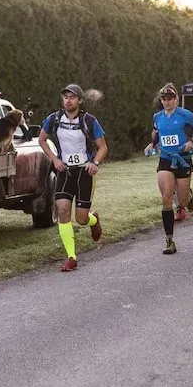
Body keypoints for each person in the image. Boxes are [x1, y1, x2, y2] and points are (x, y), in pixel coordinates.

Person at [39, 84, 108, 272]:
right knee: (62, 210)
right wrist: (54, 159)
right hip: (65, 171)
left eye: (72, 97)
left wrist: (95, 163)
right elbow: (41, 139)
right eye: (65, 97)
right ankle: (71, 257)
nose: (68, 101)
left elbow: (102, 147)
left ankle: (94, 219)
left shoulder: (89, 120)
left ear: (79, 101)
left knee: (81, 219)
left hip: (84, 173)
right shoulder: (54, 119)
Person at [143, 83, 193, 254]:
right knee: (167, 195)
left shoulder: (185, 115)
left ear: (176, 99)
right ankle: (169, 240)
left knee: (182, 202)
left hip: (183, 160)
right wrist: (151, 145)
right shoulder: (158, 117)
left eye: (170, 99)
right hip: (166, 159)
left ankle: (187, 197)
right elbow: (156, 134)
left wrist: (191, 142)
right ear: (161, 101)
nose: (167, 102)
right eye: (164, 99)